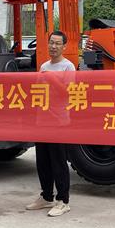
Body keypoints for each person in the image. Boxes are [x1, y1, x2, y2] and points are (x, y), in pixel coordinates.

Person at [25, 30, 75, 217]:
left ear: (64, 46)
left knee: (58, 162)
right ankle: (46, 196)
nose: (53, 47)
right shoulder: (44, 66)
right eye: (51, 43)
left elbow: (69, 93)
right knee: (43, 161)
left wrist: (52, 79)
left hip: (59, 122)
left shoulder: (68, 67)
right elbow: (39, 91)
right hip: (42, 120)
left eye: (57, 43)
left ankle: (63, 200)